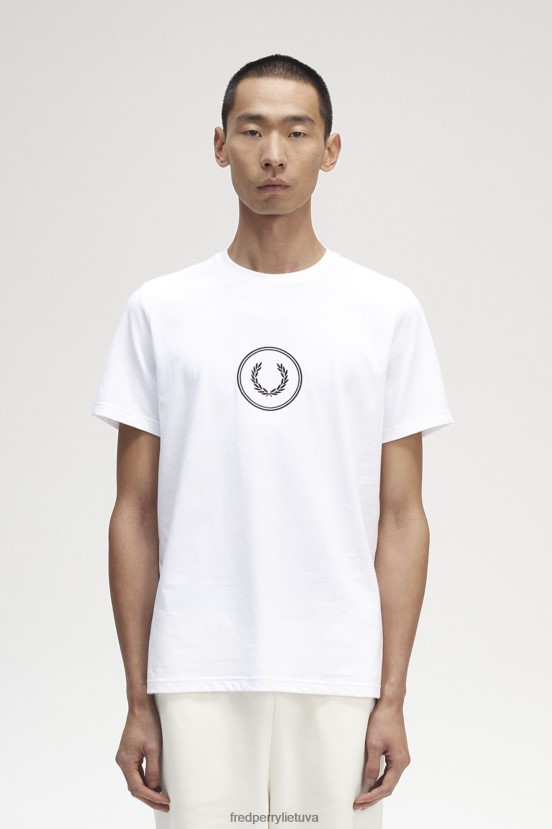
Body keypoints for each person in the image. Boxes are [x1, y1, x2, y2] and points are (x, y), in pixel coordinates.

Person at [91, 54, 454, 829]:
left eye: (297, 131)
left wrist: (391, 695)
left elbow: (402, 516)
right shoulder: (161, 310)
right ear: (220, 145)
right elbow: (134, 512)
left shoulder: (385, 311)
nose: (274, 154)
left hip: (337, 669)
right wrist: (137, 696)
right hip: (196, 668)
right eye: (252, 131)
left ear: (331, 149)